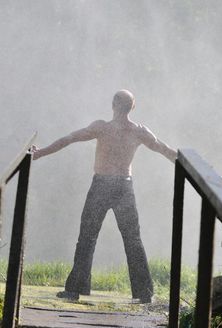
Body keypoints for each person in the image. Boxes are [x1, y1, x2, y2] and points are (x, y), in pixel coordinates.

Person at [32, 89, 177, 303]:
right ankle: (143, 293)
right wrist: (183, 161)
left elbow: (69, 138)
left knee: (90, 237)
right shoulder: (137, 131)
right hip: (120, 186)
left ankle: (76, 289)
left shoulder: (104, 127)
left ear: (113, 105)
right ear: (132, 107)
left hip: (105, 185)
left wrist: (41, 152)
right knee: (128, 239)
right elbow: (164, 149)